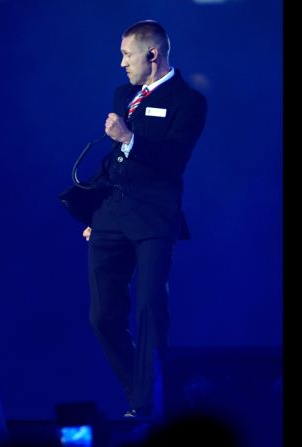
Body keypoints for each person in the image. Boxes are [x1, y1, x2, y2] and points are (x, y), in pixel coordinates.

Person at [81, 20, 207, 419]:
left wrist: (128, 138)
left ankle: (147, 403)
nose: (121, 63)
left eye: (127, 55)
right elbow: (117, 162)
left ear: (152, 54)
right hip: (112, 216)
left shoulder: (189, 101)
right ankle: (142, 390)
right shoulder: (125, 95)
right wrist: (92, 210)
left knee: (151, 307)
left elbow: (173, 160)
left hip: (155, 216)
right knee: (102, 317)